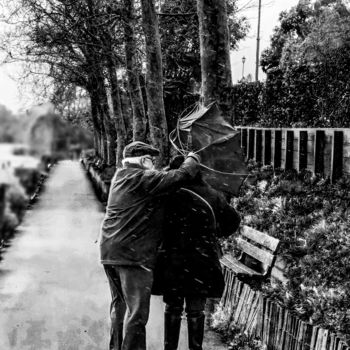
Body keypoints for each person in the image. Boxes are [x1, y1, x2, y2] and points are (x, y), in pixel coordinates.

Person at [99, 141, 201, 350]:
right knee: (137, 313)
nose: (154, 165)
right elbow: (180, 177)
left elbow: (159, 179)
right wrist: (193, 158)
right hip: (132, 255)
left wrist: (168, 169)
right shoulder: (140, 178)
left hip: (110, 251)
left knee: (119, 306)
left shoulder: (123, 176)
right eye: (152, 161)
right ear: (144, 160)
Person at [152, 155, 241, 350]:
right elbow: (233, 221)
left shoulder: (166, 194)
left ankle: (170, 347)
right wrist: (215, 232)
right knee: (196, 310)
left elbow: (153, 223)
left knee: (173, 307)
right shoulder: (213, 194)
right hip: (202, 260)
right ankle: (195, 347)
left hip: (172, 258)